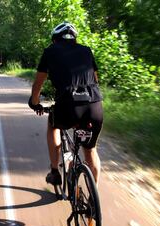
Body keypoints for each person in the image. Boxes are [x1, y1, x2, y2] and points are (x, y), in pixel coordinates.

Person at [28, 22, 103, 186]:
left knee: (53, 126)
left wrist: (35, 103)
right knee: (90, 150)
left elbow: (38, 83)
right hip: (94, 104)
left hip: (68, 104)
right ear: (74, 38)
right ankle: (93, 199)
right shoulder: (86, 50)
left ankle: (55, 172)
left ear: (55, 39)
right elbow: (96, 79)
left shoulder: (50, 51)